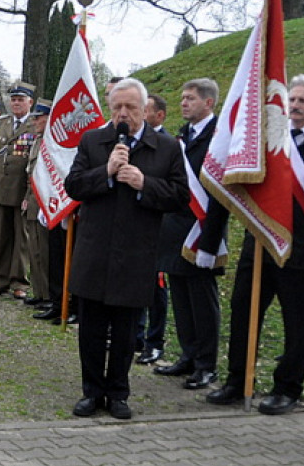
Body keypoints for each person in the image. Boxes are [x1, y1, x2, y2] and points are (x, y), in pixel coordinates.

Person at [65, 78, 189, 420]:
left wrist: (144, 183)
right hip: (95, 251)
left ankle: (118, 393)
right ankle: (91, 393)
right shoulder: (93, 141)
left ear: (144, 110)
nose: (123, 114)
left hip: (136, 254)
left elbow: (181, 197)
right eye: (117, 107)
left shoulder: (165, 147)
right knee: (91, 331)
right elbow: (73, 186)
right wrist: (105, 172)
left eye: (131, 108)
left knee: (124, 332)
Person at [207, 74, 304, 414]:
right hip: (260, 240)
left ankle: (287, 387)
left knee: (297, 319)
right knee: (243, 308)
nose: (294, 106)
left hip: (299, 248)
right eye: (292, 100)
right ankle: (239, 379)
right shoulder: (272, 139)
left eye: (303, 102)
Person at [153, 79, 229, 390]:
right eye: (183, 98)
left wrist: (210, 243)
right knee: (181, 299)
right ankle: (188, 355)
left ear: (208, 103)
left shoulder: (219, 138)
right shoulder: (183, 135)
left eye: (190, 99)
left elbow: (221, 194)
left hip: (201, 231)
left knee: (202, 301)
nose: (183, 103)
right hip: (175, 230)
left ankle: (206, 365)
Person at [0, 81, 36, 299]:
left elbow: (36, 164)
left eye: (20, 100)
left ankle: (19, 282)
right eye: (13, 99)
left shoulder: (35, 124)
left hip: (22, 191)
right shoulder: (1, 124)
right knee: (0, 237)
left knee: (21, 240)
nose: (16, 103)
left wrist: (29, 195)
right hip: (1, 189)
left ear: (29, 102)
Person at [136, 93, 171, 363]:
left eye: (145, 110)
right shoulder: (132, 141)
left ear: (159, 115)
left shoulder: (168, 146)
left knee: (156, 287)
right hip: (135, 225)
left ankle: (155, 340)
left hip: (160, 227)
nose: (140, 114)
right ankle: (136, 334)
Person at [23, 100, 52, 308]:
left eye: (38, 117)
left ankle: (50, 295)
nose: (34, 121)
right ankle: (39, 292)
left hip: (46, 204)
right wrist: (26, 196)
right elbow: (30, 175)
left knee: (45, 251)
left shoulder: (53, 144)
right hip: (33, 201)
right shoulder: (37, 141)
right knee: (34, 249)